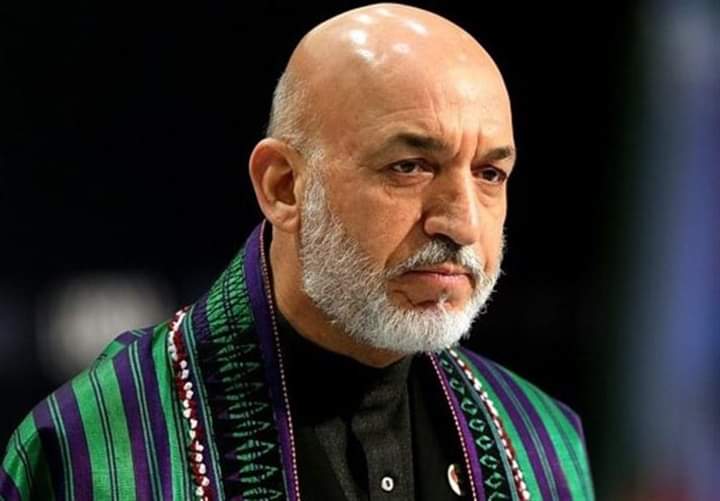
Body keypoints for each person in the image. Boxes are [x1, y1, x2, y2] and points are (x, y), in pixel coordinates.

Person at [0, 3, 595, 500]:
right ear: (283, 186)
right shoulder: (92, 452)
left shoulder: (544, 447)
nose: (462, 222)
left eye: (490, 174)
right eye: (410, 166)